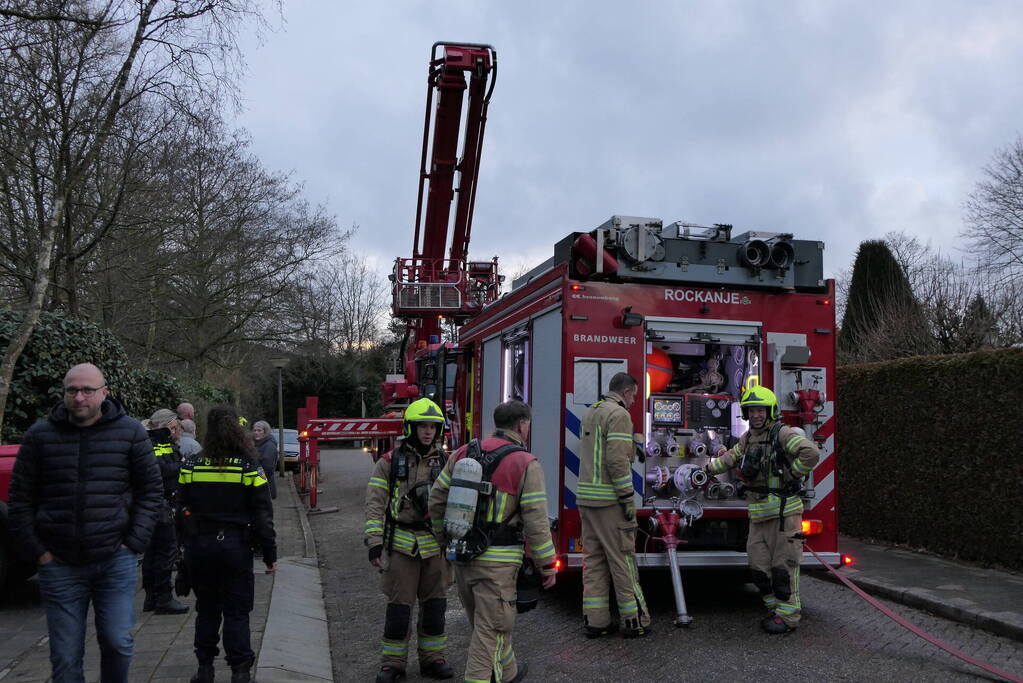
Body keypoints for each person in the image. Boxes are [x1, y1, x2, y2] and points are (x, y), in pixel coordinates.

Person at [7, 363, 163, 683]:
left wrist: (132, 543)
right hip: (59, 562)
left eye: (87, 390)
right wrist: (39, 553)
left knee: (119, 643)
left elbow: (151, 491)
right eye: (72, 390)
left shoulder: (130, 432)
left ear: (104, 392)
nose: (79, 397)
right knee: (64, 656)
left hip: (114, 559)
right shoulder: (40, 436)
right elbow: (19, 500)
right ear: (63, 393)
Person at [429, 400, 557, 683]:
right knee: (492, 631)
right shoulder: (525, 462)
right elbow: (536, 519)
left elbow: (436, 499)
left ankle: (508, 673)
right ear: (522, 425)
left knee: (486, 625)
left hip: (463, 556)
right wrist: (547, 564)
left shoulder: (464, 452)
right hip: (498, 564)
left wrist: (444, 538)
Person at [704, 380, 820, 633]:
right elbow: (730, 458)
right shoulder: (749, 438)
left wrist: (792, 474)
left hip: (783, 514)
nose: (756, 415)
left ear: (770, 411)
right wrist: (705, 470)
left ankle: (788, 617)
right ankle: (774, 609)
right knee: (758, 568)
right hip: (759, 515)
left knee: (782, 568)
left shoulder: (782, 434)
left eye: (761, 410)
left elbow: (811, 453)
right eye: (752, 410)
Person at [178, 404, 277, 683]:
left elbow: (181, 508)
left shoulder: (191, 464)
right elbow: (262, 514)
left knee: (207, 609)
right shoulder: (249, 466)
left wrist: (183, 550)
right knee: (237, 611)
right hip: (235, 547)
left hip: (199, 547)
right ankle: (240, 671)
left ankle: (205, 669)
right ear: (237, 428)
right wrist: (270, 555)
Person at [364, 398, 453, 682]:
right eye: (422, 426)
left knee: (436, 609)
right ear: (410, 428)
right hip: (401, 545)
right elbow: (375, 504)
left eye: (433, 427)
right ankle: (393, 664)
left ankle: (433, 659)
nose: (428, 432)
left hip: (435, 547)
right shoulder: (389, 462)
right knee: (399, 610)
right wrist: (374, 542)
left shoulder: (447, 463)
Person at [576, 372, 650, 639]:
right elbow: (617, 461)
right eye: (635, 395)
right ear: (627, 392)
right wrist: (627, 497)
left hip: (586, 500)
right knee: (622, 561)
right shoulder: (619, 415)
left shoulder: (591, 412)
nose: (634, 401)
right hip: (609, 502)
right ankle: (634, 620)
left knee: (593, 562)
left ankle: (596, 622)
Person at [143, 408, 189, 614]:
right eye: (175, 426)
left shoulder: (157, 442)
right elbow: (159, 471)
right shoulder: (156, 444)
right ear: (167, 427)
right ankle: (162, 598)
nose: (178, 429)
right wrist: (182, 466)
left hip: (158, 505)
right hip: (161, 506)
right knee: (165, 552)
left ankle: (151, 597)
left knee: (153, 553)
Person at [252, 420, 278, 499]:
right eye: (255, 430)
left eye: (259, 430)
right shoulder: (259, 444)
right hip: (261, 486)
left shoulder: (269, 445)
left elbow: (267, 468)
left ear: (265, 432)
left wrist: (255, 478)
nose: (256, 432)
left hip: (265, 487)